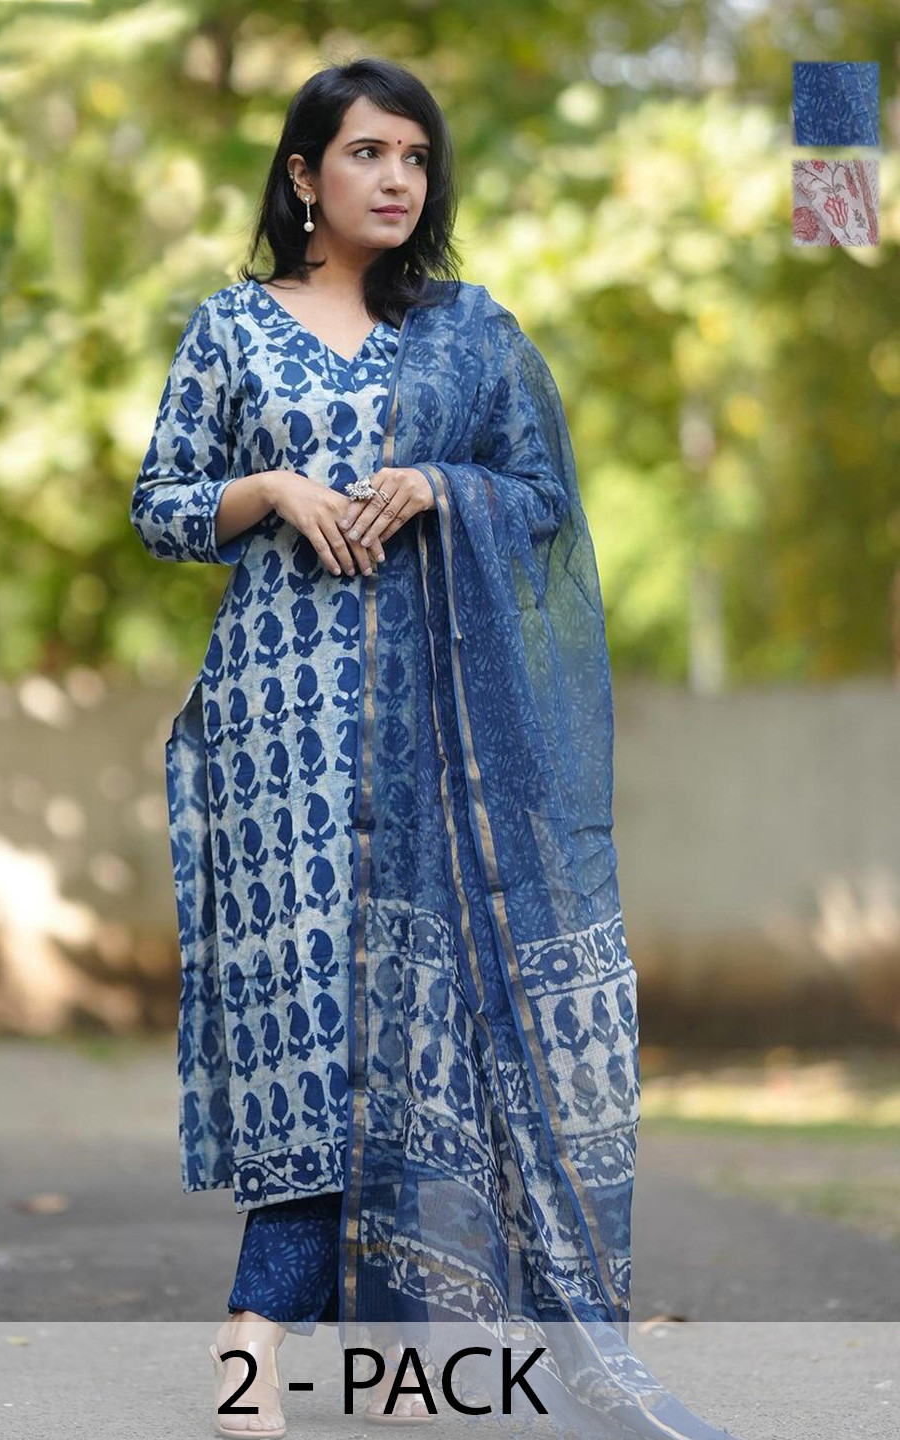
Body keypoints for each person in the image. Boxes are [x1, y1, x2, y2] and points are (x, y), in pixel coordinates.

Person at [132, 57, 745, 1440]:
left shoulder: (470, 333)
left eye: (416, 156)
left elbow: (545, 498)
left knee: (426, 1036)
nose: (398, 178)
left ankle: (384, 1354)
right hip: (281, 740)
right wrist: (273, 489)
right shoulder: (232, 329)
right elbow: (161, 504)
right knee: (315, 1040)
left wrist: (436, 486)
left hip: (443, 743)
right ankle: (255, 1347)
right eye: (367, 152)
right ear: (304, 174)